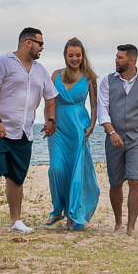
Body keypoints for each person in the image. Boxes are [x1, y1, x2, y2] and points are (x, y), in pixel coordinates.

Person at [0, 27, 57, 235]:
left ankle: (15, 221)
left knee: (16, 177)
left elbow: (50, 97)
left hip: (23, 131)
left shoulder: (41, 70)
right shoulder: (2, 62)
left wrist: (51, 120)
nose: (42, 47)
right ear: (28, 43)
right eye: (40, 43)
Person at [97, 44, 138, 235]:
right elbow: (103, 111)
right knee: (115, 183)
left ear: (132, 60)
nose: (116, 60)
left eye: (120, 58)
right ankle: (118, 222)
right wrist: (111, 133)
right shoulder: (107, 81)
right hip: (114, 137)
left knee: (135, 180)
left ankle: (131, 226)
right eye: (116, 57)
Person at [45, 37, 101, 230]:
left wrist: (92, 125)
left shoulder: (89, 76)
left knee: (76, 172)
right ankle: (57, 209)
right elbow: (48, 101)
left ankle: (72, 213)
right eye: (71, 55)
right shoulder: (55, 75)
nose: (75, 58)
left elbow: (94, 105)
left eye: (78, 55)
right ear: (65, 56)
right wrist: (48, 121)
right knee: (56, 169)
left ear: (82, 55)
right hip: (58, 129)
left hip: (78, 128)